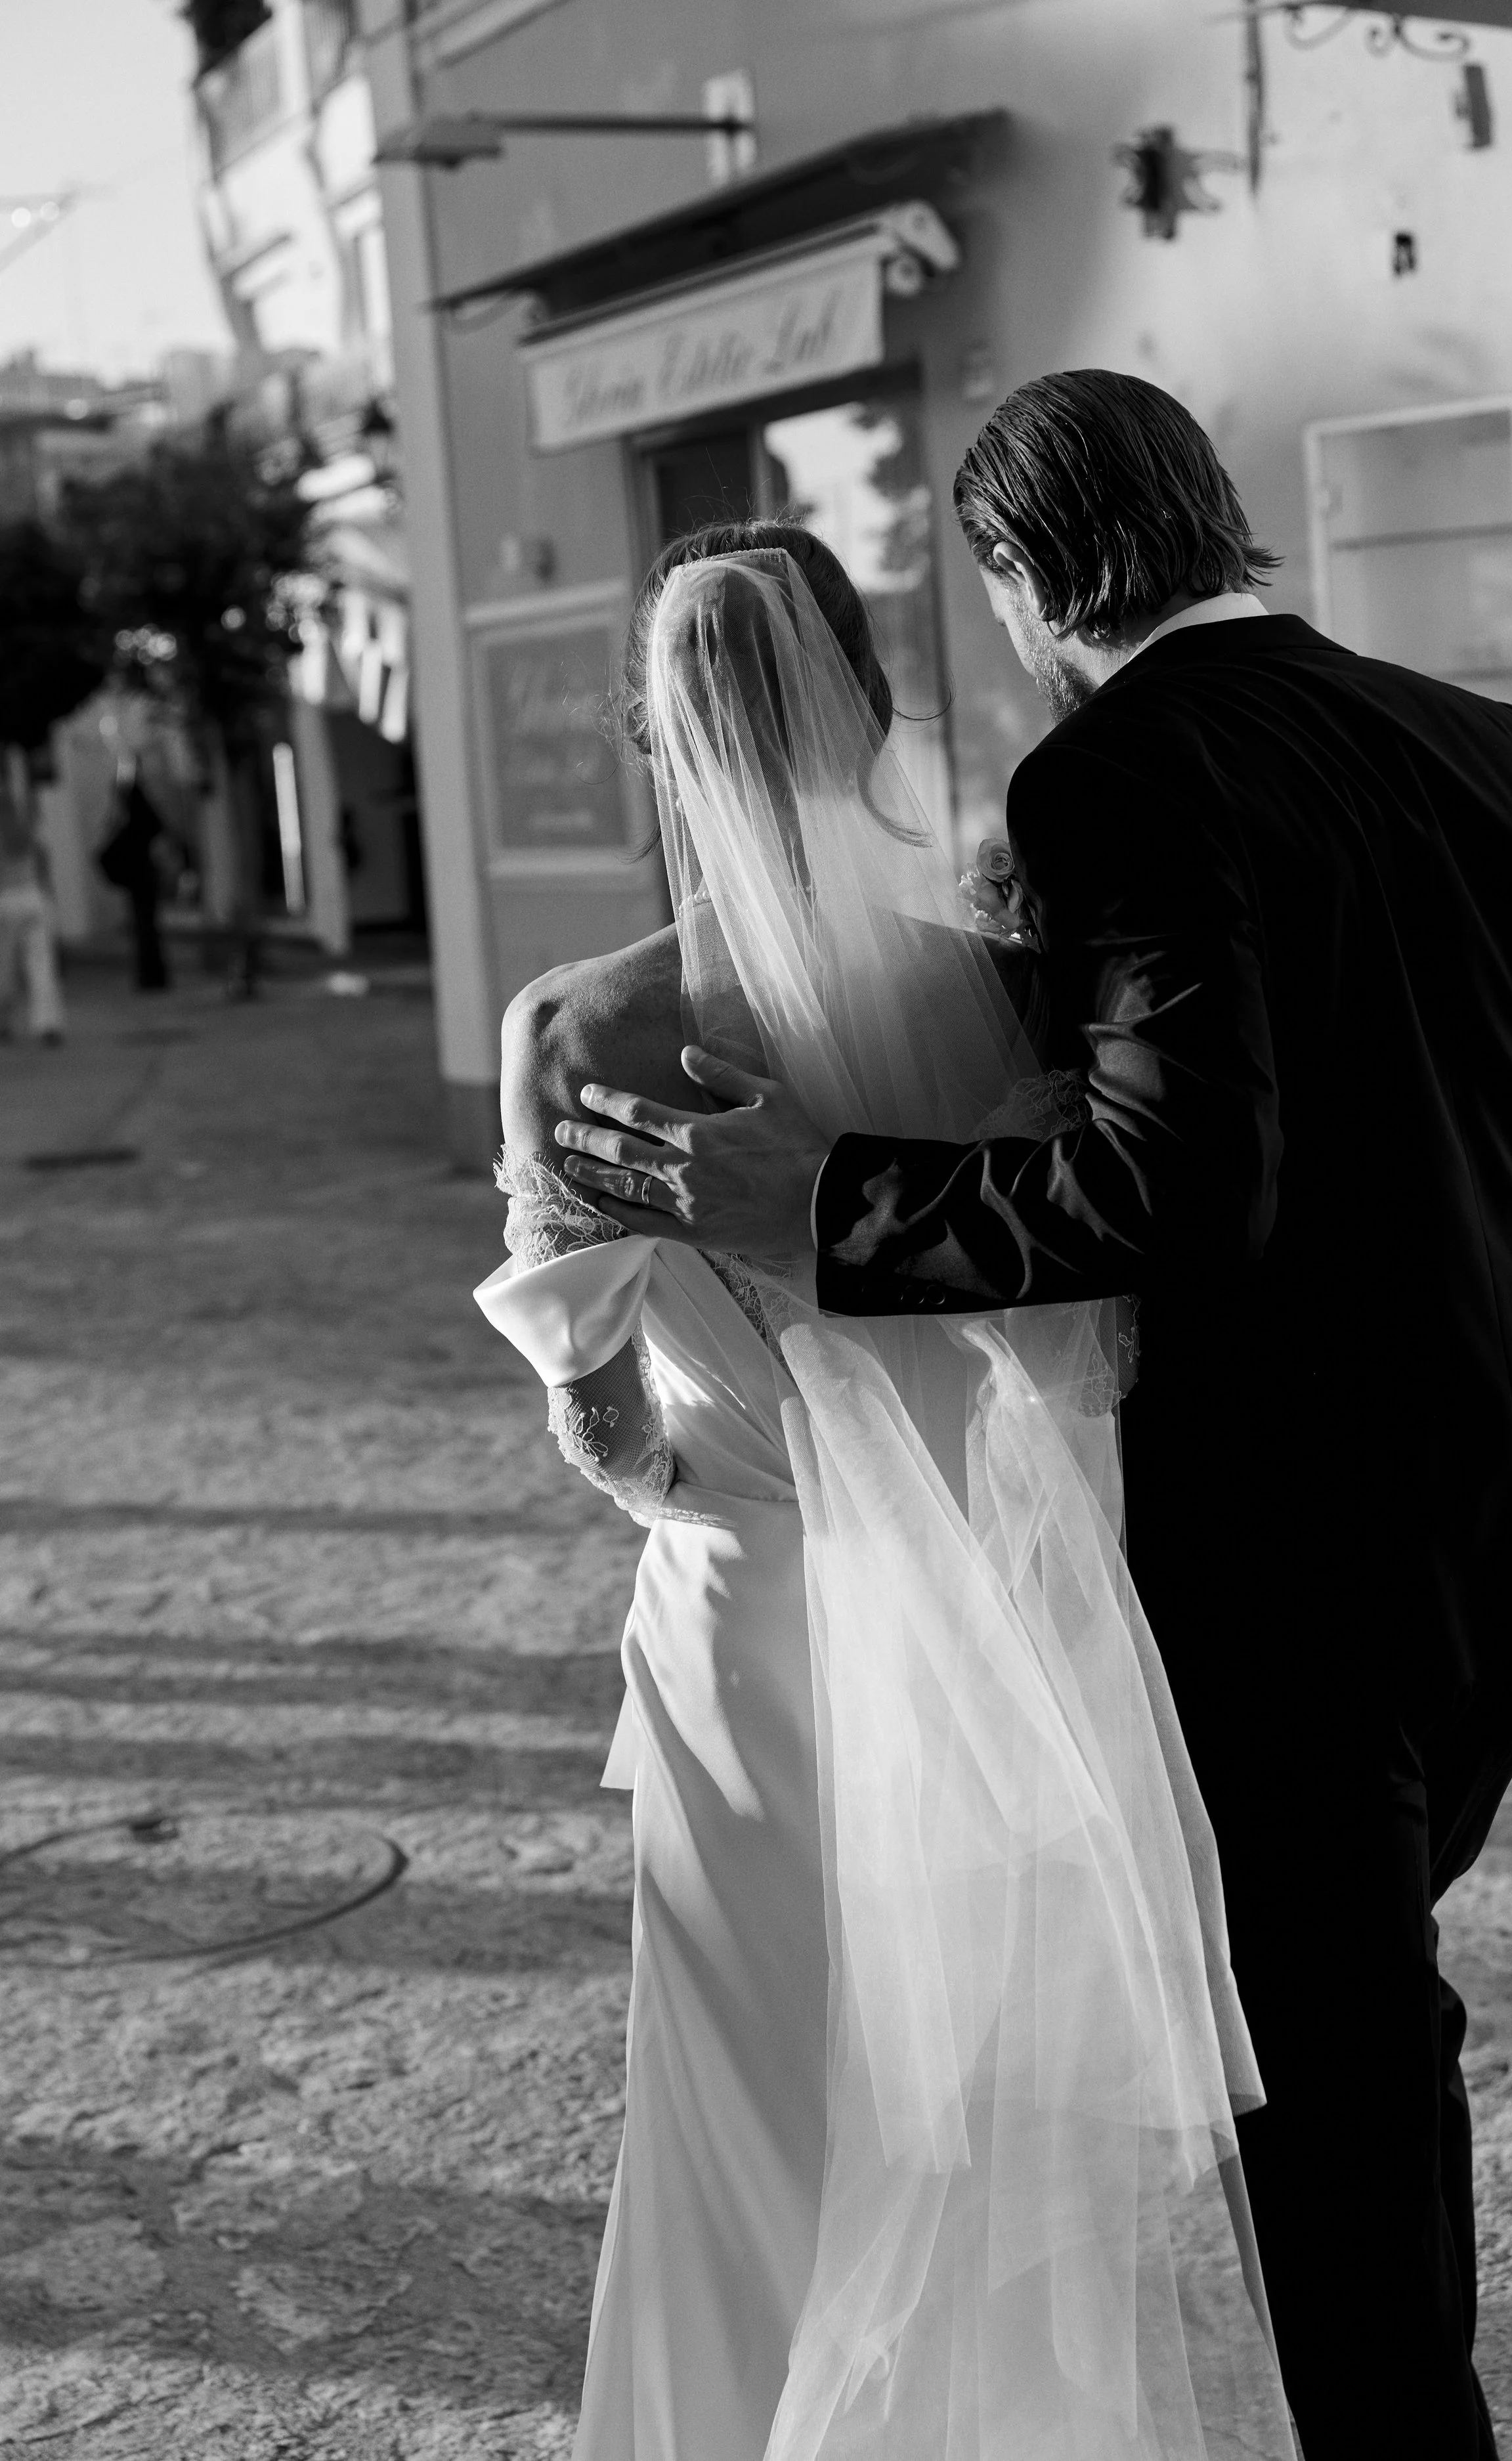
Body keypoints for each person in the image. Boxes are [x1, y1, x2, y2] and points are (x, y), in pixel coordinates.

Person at [542, 376, 1512, 2461]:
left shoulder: (1110, 779)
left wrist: (829, 1202)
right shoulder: (1497, 744)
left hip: (1301, 1551)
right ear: (1214, 517)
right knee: (1358, 2017)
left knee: (1327, 2091)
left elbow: (1173, 1182)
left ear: (1022, 571)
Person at [481, 527, 1295, 2461]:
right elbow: (1086, 1309)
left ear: (656, 742)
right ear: (865, 711)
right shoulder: (996, 1002)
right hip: (987, 1650)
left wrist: (706, 1482)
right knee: (965, 2124)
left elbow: (597, 1431)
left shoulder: (573, 1034)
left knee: (751, 2110)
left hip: (741, 1638)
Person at [0, 763, 66, 1045]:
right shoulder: (27, 826)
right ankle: (47, 1023)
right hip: (33, 896)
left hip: (5, 898)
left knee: (5, 966)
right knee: (41, 964)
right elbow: (44, 861)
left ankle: (4, 1021)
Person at [97, 757, 171, 992]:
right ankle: (151, 974)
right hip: (143, 872)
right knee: (145, 924)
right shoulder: (134, 811)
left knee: (144, 924)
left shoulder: (133, 811)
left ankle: (151, 974)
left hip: (140, 873)